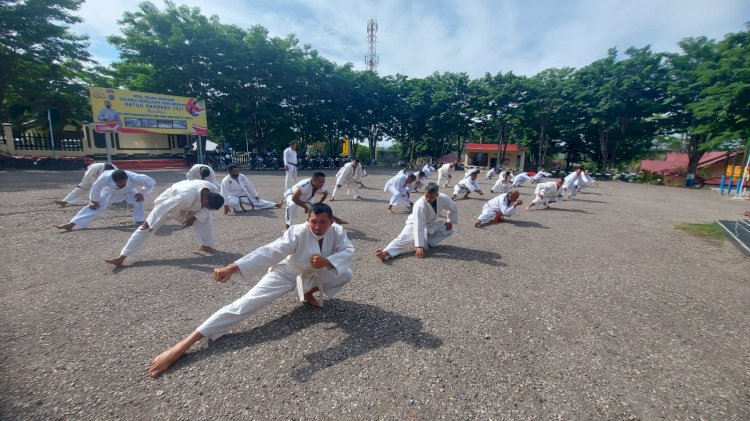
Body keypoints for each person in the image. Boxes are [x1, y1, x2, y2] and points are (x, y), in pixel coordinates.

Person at [146, 203, 354, 378]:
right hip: (287, 272)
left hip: (316, 272)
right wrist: (233, 268)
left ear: (331, 222)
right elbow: (270, 251)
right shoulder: (297, 232)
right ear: (307, 220)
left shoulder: (337, 231)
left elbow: (348, 251)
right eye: (313, 222)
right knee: (244, 304)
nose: (317, 227)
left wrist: (328, 261)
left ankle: (307, 292)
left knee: (345, 274)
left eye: (322, 222)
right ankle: (183, 345)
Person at [104, 180, 225, 266]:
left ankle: (205, 244)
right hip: (168, 202)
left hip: (190, 203)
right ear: (205, 199)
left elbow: (206, 210)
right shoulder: (185, 197)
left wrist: (193, 219)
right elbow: (163, 207)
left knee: (205, 218)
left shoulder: (212, 189)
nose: (208, 209)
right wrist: (151, 222)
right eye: (208, 206)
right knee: (146, 228)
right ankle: (122, 257)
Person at [376, 182, 458, 261]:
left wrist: (449, 220)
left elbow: (453, 208)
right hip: (414, 223)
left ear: (437, 195)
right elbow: (419, 225)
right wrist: (419, 246)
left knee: (448, 229)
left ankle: (428, 243)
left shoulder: (443, 198)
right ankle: (385, 253)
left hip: (430, 223)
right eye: (426, 196)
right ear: (424, 192)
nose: (428, 199)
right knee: (403, 238)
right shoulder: (419, 205)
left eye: (431, 197)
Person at [54, 169, 156, 231]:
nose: (122, 184)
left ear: (126, 178)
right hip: (109, 192)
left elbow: (151, 182)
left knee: (139, 200)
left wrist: (141, 193)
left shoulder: (134, 177)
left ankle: (139, 220)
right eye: (119, 183)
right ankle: (72, 224)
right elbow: (96, 188)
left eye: (123, 182)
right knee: (95, 206)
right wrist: (93, 200)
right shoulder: (105, 177)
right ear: (114, 180)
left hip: (129, 191)